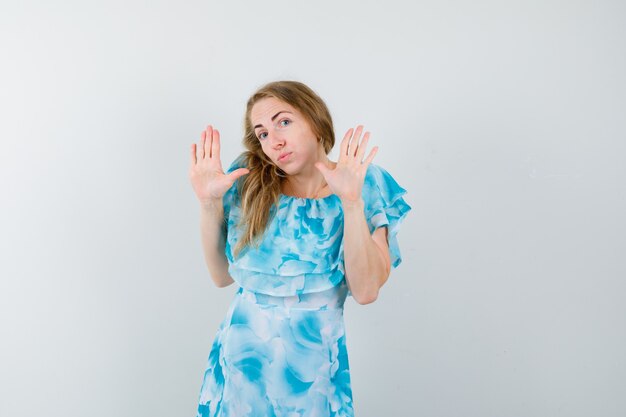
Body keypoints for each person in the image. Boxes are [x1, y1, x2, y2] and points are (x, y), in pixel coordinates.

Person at [188, 80, 411, 417]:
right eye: (262, 133)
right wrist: (208, 204)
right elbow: (221, 277)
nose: (274, 141)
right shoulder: (250, 182)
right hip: (239, 370)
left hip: (312, 377)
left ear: (315, 120)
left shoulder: (365, 181)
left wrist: (351, 204)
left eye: (284, 122)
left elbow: (366, 291)